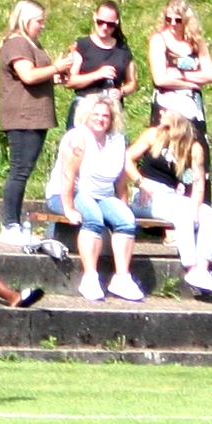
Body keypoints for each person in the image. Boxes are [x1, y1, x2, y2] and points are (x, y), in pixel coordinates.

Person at [46, 94, 145, 303]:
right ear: (87, 116)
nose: (100, 119)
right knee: (92, 217)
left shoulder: (117, 141)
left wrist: (122, 206)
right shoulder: (78, 138)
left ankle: (122, 278)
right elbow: (68, 176)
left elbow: (120, 180)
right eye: (96, 115)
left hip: (102, 195)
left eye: (105, 116)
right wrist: (68, 208)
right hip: (68, 193)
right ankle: (90, 277)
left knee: (126, 220)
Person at [0, 0, 70, 249]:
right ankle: (9, 225)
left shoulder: (31, 43)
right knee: (19, 170)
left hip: (34, 117)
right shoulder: (17, 44)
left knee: (23, 170)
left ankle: (13, 224)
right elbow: (28, 75)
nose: (42, 25)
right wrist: (55, 67)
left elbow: (37, 75)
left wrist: (55, 76)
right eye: (39, 21)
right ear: (25, 20)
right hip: (23, 117)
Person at [130, 115, 212, 297]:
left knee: (210, 215)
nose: (162, 113)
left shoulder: (194, 147)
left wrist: (196, 210)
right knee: (182, 215)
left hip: (171, 195)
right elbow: (126, 158)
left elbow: (198, 184)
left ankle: (203, 269)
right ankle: (191, 268)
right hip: (147, 194)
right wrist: (140, 181)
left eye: (167, 110)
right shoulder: (153, 135)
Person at [59, 0, 134, 130]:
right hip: (85, 106)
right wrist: (97, 75)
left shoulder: (123, 49)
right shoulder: (83, 45)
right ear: (94, 17)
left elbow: (132, 82)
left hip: (111, 110)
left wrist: (121, 91)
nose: (104, 27)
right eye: (100, 22)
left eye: (110, 24)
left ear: (116, 24)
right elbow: (70, 81)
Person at [146, 0, 212, 131]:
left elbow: (211, 75)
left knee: (195, 141)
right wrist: (192, 84)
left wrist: (181, 75)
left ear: (186, 20)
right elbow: (160, 79)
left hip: (193, 105)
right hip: (167, 105)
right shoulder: (158, 39)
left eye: (178, 20)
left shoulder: (196, 41)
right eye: (168, 19)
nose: (172, 24)